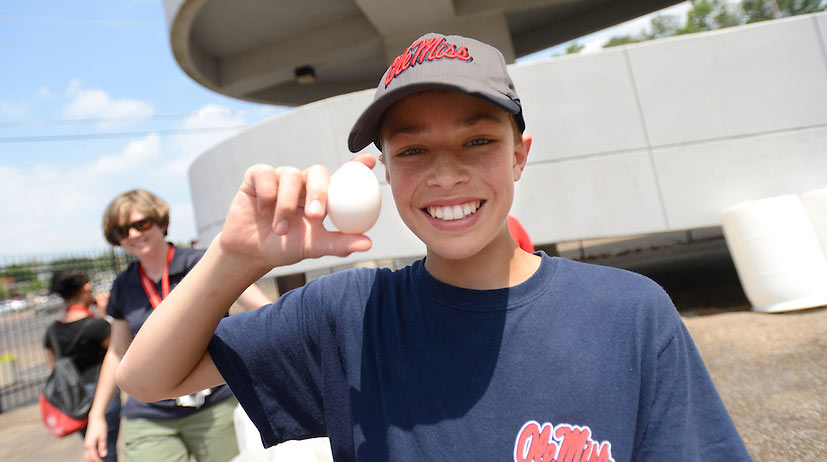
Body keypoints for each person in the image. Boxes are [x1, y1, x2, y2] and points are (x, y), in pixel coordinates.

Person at [115, 33, 752, 461]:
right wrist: (237, 256)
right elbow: (148, 376)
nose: (446, 175)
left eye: (477, 140)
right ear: (385, 171)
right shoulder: (348, 316)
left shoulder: (631, 312)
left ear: (519, 155)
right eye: (413, 149)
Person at [83, 189, 272, 462]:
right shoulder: (123, 285)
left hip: (215, 402)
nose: (133, 235)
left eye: (141, 224)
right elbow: (117, 352)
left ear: (160, 222)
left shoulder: (202, 262)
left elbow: (263, 309)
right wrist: (97, 415)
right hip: (150, 411)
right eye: (121, 231)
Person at [44, 269, 120, 462]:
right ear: (86, 288)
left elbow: (53, 365)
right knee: (106, 449)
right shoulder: (97, 326)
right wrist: (105, 315)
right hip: (101, 392)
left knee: (92, 447)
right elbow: (119, 351)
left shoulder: (52, 330)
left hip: (73, 397)